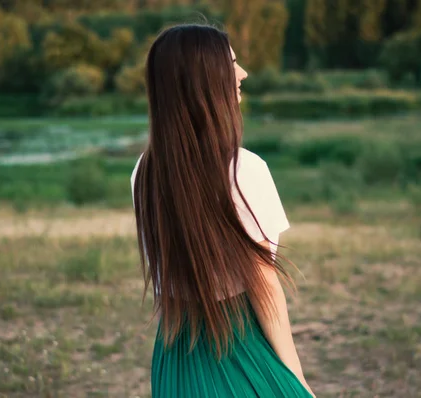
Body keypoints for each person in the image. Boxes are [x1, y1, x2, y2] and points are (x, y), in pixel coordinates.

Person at [130, 24, 315, 398]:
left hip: (175, 355)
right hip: (238, 347)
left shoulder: (143, 171)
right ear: (204, 81)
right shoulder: (243, 169)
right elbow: (264, 284)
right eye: (231, 63)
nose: (243, 73)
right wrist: (297, 378)